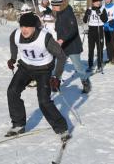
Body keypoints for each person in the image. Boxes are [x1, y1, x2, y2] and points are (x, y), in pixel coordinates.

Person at [6, 12, 70, 141]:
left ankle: (61, 128)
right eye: (22, 26)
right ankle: (18, 124)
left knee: (43, 101)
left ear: (34, 27)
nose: (24, 30)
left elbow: (61, 56)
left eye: (28, 27)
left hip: (44, 70)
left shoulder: (45, 38)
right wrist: (13, 58)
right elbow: (13, 43)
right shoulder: (16, 34)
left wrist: (56, 77)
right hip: (25, 67)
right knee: (12, 91)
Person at [51, 0, 91, 93]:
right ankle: (56, 83)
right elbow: (60, 28)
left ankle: (85, 82)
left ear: (58, 5)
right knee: (57, 65)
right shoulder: (59, 13)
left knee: (78, 67)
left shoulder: (68, 13)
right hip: (62, 46)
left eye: (53, 6)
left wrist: (63, 39)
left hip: (72, 45)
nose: (52, 7)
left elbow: (73, 30)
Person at [83, 0, 108, 72]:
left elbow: (105, 20)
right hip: (91, 30)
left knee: (100, 48)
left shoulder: (102, 9)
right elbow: (84, 21)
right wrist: (87, 14)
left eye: (99, 1)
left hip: (99, 29)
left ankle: (99, 65)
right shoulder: (89, 9)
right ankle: (90, 65)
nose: (98, 3)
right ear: (93, 2)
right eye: (96, 1)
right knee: (91, 49)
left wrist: (100, 14)